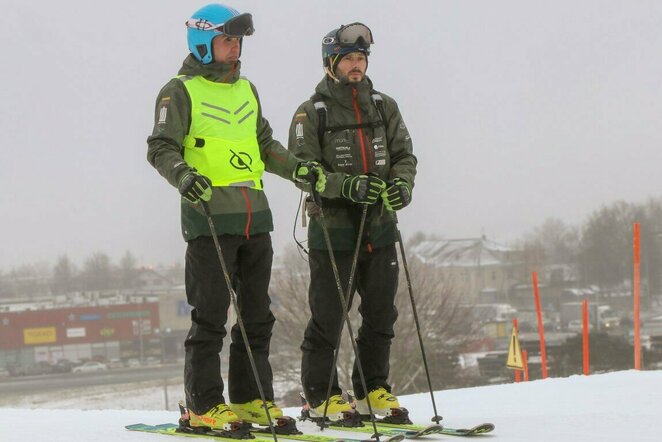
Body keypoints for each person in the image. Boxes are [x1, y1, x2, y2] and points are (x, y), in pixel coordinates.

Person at [147, 3, 325, 430]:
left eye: (238, 41)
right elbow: (160, 147)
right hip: (209, 216)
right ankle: (203, 404)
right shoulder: (179, 91)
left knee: (257, 316)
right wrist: (184, 176)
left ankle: (249, 399)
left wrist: (298, 169)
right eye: (228, 40)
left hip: (254, 216)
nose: (236, 48)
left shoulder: (247, 89)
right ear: (204, 43)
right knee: (210, 314)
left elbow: (265, 146)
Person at [287, 23, 417, 420]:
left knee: (381, 314)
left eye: (361, 59)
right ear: (331, 64)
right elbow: (302, 170)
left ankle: (373, 389)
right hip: (333, 230)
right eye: (349, 60)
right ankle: (320, 396)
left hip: (380, 226)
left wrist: (402, 186)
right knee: (328, 315)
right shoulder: (311, 113)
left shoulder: (384, 105)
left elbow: (404, 155)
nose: (356, 66)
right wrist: (347, 186)